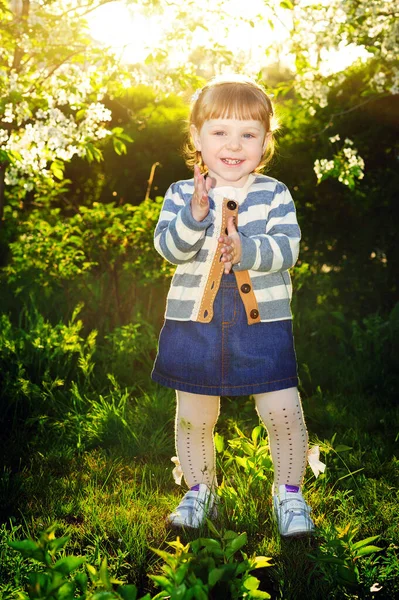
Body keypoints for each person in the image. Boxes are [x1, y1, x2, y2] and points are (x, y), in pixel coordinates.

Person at [151, 74, 314, 537]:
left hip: (261, 319)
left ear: (265, 141)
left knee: (282, 407)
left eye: (248, 134)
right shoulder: (183, 194)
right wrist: (195, 217)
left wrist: (248, 250)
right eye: (220, 131)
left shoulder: (275, 193)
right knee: (194, 412)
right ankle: (200, 490)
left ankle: (289, 493)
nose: (234, 144)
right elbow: (169, 248)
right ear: (197, 138)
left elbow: (288, 249)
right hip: (192, 320)